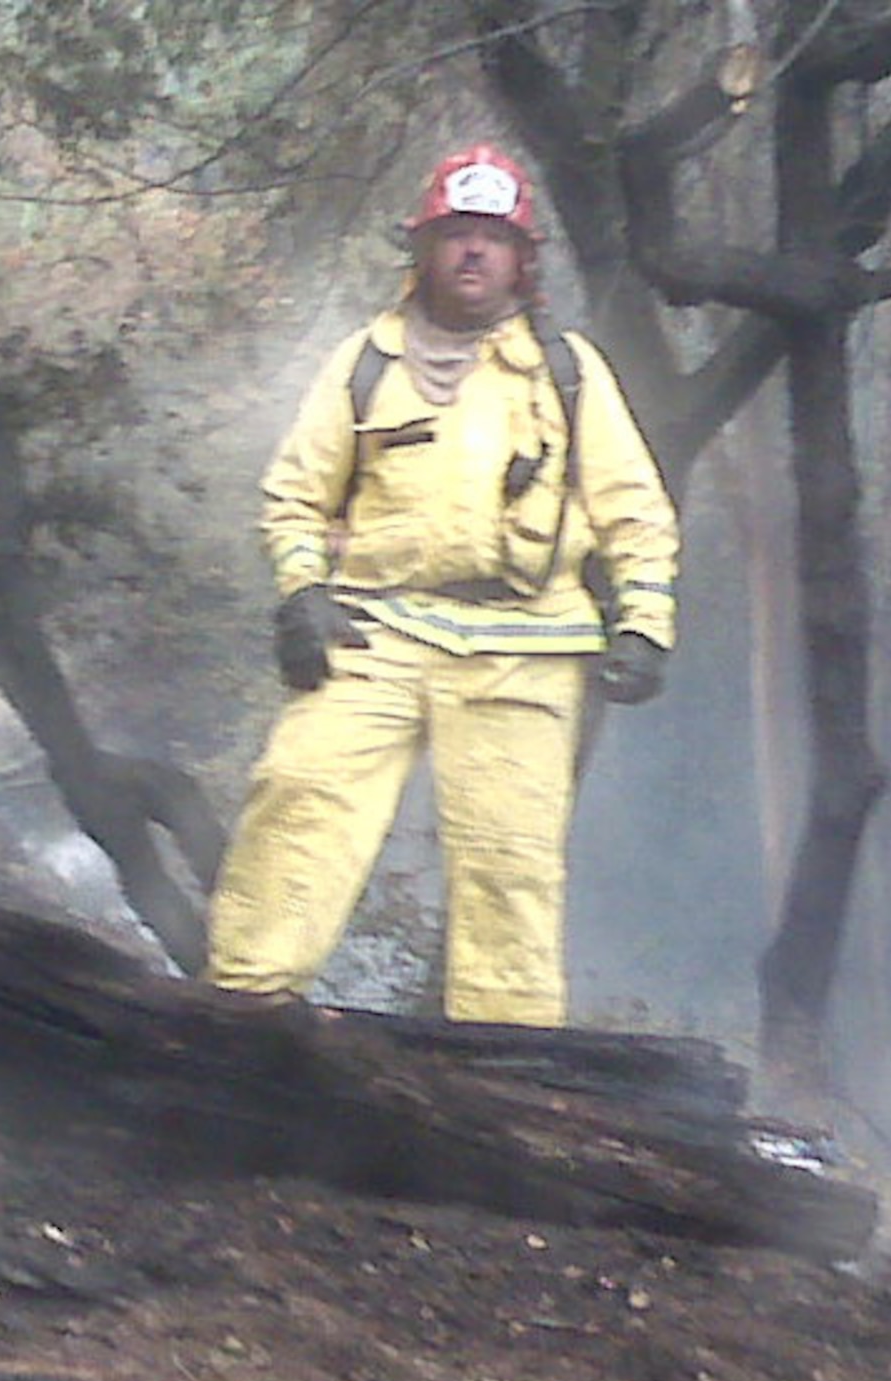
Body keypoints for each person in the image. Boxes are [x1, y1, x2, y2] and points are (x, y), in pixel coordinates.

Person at [205, 143, 679, 1029]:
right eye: (455, 234)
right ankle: (236, 1018)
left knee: (510, 863)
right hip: (373, 632)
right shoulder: (365, 362)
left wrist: (647, 624)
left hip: (526, 649)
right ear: (421, 249)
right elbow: (296, 494)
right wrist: (303, 592)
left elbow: (636, 512)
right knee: (298, 800)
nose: (472, 253)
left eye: (492, 239)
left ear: (522, 261)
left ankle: (507, 1074)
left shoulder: (568, 373)